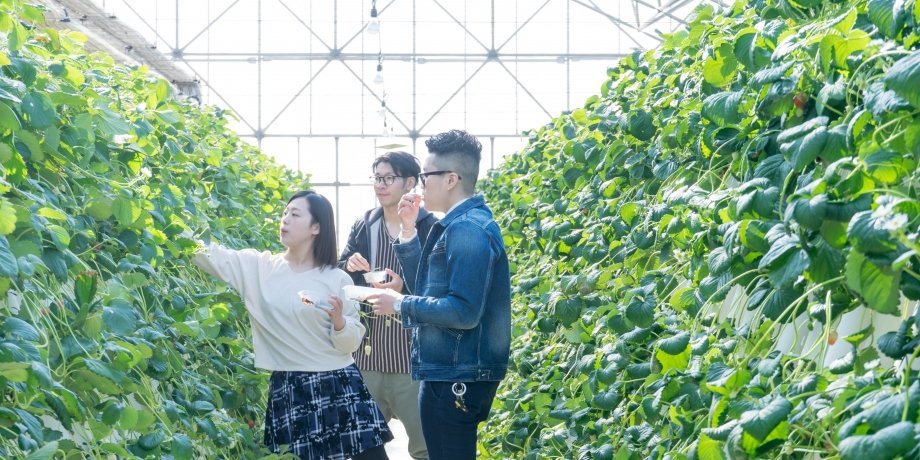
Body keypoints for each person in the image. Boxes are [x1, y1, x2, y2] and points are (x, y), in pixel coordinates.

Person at [191, 190, 393, 460]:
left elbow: (350, 343)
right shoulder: (260, 268)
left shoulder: (337, 278)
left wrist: (339, 321)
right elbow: (210, 255)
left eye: (295, 214)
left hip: (339, 383)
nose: (285, 219)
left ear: (316, 227)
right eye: (285, 213)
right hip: (290, 387)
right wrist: (177, 231)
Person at [368, 130, 511, 459]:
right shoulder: (456, 225)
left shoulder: (468, 229)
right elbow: (429, 290)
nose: (420, 185)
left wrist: (400, 304)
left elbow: (463, 311)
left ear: (450, 179)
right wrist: (408, 231)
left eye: (426, 176)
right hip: (446, 372)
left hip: (456, 376)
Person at [337, 151, 437, 460]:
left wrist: (402, 289)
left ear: (410, 183)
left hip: (410, 360)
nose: (380, 185)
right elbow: (340, 272)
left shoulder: (430, 227)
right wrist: (349, 264)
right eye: (377, 178)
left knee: (427, 448)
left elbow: (439, 286)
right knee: (363, 446)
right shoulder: (365, 224)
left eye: (388, 178)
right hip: (367, 355)